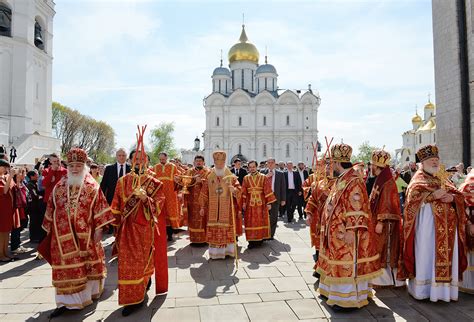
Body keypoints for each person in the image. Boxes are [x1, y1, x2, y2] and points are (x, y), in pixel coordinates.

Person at [40, 148, 114, 318]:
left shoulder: (91, 186)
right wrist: (49, 227)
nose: (74, 169)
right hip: (61, 237)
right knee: (65, 268)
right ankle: (65, 302)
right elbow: (51, 207)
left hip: (85, 235)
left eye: (78, 165)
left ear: (84, 166)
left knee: (86, 266)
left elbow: (100, 208)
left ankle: (86, 296)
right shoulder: (59, 186)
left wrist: (99, 229)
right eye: (71, 165)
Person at [398, 145, 468, 302]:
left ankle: (446, 292)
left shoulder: (442, 177)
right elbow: (411, 201)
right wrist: (431, 196)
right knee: (427, 255)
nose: (435, 162)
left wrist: (452, 199)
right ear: (423, 162)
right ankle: (424, 291)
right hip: (427, 229)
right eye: (432, 160)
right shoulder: (418, 179)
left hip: (449, 229)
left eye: (437, 159)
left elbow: (459, 195)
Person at [316, 143, 381, 309]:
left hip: (346, 233)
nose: (331, 166)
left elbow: (357, 207)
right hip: (336, 231)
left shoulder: (353, 181)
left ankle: (346, 299)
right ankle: (331, 291)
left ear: (338, 163)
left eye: (332, 163)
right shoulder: (343, 178)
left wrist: (351, 230)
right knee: (336, 261)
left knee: (346, 263)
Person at [111, 149, 166, 316]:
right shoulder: (122, 181)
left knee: (142, 262)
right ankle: (132, 298)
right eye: (136, 159)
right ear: (130, 161)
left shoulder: (154, 183)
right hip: (127, 231)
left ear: (147, 161)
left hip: (144, 230)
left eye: (143, 159)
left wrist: (146, 199)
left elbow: (158, 205)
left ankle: (142, 289)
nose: (139, 162)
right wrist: (114, 227)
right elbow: (115, 206)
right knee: (127, 264)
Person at [367, 150, 404, 288]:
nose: (371, 168)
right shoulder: (382, 177)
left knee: (384, 249)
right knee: (378, 248)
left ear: (377, 166)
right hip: (379, 220)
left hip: (385, 223)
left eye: (372, 165)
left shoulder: (387, 181)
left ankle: (385, 280)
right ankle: (379, 279)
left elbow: (387, 203)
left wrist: (380, 222)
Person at [199, 151, 242, 259]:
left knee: (227, 229)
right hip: (212, 208)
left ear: (224, 162)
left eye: (222, 162)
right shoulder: (209, 176)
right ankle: (215, 253)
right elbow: (204, 192)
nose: (219, 164)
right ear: (214, 162)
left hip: (226, 209)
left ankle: (228, 251)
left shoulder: (231, 176)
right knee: (214, 229)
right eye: (217, 162)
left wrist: (234, 190)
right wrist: (202, 207)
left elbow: (240, 190)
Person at [305, 158, 335, 278]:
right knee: (319, 245)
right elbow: (312, 199)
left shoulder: (340, 184)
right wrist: (309, 213)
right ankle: (319, 268)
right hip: (320, 220)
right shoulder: (320, 183)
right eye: (327, 167)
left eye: (330, 167)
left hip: (334, 222)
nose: (327, 169)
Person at [241, 160, 276, 249]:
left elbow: (267, 190)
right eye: (250, 167)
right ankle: (251, 241)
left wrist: (269, 202)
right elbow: (244, 191)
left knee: (260, 220)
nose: (252, 169)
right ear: (248, 168)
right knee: (250, 222)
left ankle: (260, 240)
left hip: (261, 204)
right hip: (250, 204)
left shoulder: (263, 177)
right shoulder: (246, 178)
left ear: (257, 167)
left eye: (253, 167)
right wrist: (244, 203)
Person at [176, 155, 210, 245]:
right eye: (197, 161)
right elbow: (184, 183)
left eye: (200, 161)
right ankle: (194, 239)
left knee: (203, 218)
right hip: (191, 199)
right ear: (194, 162)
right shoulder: (189, 171)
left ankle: (204, 239)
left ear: (203, 162)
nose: (198, 162)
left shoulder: (208, 172)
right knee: (192, 218)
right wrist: (178, 180)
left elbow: (211, 184)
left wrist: (201, 181)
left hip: (204, 200)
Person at [154, 152, 181, 241]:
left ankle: (170, 234)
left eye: (163, 159)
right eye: (160, 159)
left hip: (170, 195)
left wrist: (178, 179)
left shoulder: (173, 167)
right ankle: (162, 234)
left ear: (167, 158)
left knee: (170, 213)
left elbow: (178, 178)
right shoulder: (155, 167)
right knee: (161, 213)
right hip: (159, 194)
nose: (162, 161)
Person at [261, 158, 286, 238]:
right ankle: (264, 233)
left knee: (273, 217)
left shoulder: (280, 173)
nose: (270, 164)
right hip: (264, 198)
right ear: (266, 164)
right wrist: (265, 177)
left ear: (275, 164)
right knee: (264, 216)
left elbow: (283, 187)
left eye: (272, 162)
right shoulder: (262, 172)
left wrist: (283, 199)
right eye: (269, 162)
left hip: (275, 197)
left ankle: (271, 234)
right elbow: (258, 183)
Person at [459, 169, 474, 293]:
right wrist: (468, 223)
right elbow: (461, 206)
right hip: (470, 223)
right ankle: (468, 284)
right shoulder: (467, 186)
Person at [0, 160, 15, 262]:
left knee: (6, 232)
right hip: (1, 209)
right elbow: (4, 191)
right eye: (4, 167)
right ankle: (1, 254)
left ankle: (5, 252)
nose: (6, 169)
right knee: (1, 232)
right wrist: (10, 176)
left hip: (6, 209)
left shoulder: (3, 178)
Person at [11, 168, 28, 254]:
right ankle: (14, 247)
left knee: (19, 227)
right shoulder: (14, 182)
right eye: (22, 173)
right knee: (16, 228)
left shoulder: (23, 182)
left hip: (22, 208)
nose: (24, 175)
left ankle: (18, 244)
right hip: (17, 208)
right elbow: (16, 191)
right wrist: (17, 180)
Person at [26, 170, 45, 243]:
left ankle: (36, 236)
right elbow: (34, 195)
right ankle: (33, 237)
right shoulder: (30, 185)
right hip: (33, 207)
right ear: (31, 176)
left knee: (37, 222)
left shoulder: (35, 183)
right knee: (33, 222)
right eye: (36, 175)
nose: (38, 176)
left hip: (37, 206)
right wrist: (40, 196)